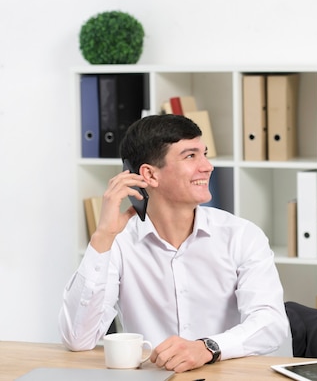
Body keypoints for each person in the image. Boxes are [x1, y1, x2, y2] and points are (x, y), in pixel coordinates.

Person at [59, 114, 290, 373]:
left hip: (226, 375)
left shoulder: (242, 235)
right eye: (191, 156)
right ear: (149, 174)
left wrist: (207, 348)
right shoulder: (118, 243)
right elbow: (78, 340)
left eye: (204, 154)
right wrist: (102, 236)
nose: (207, 166)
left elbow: (271, 324)